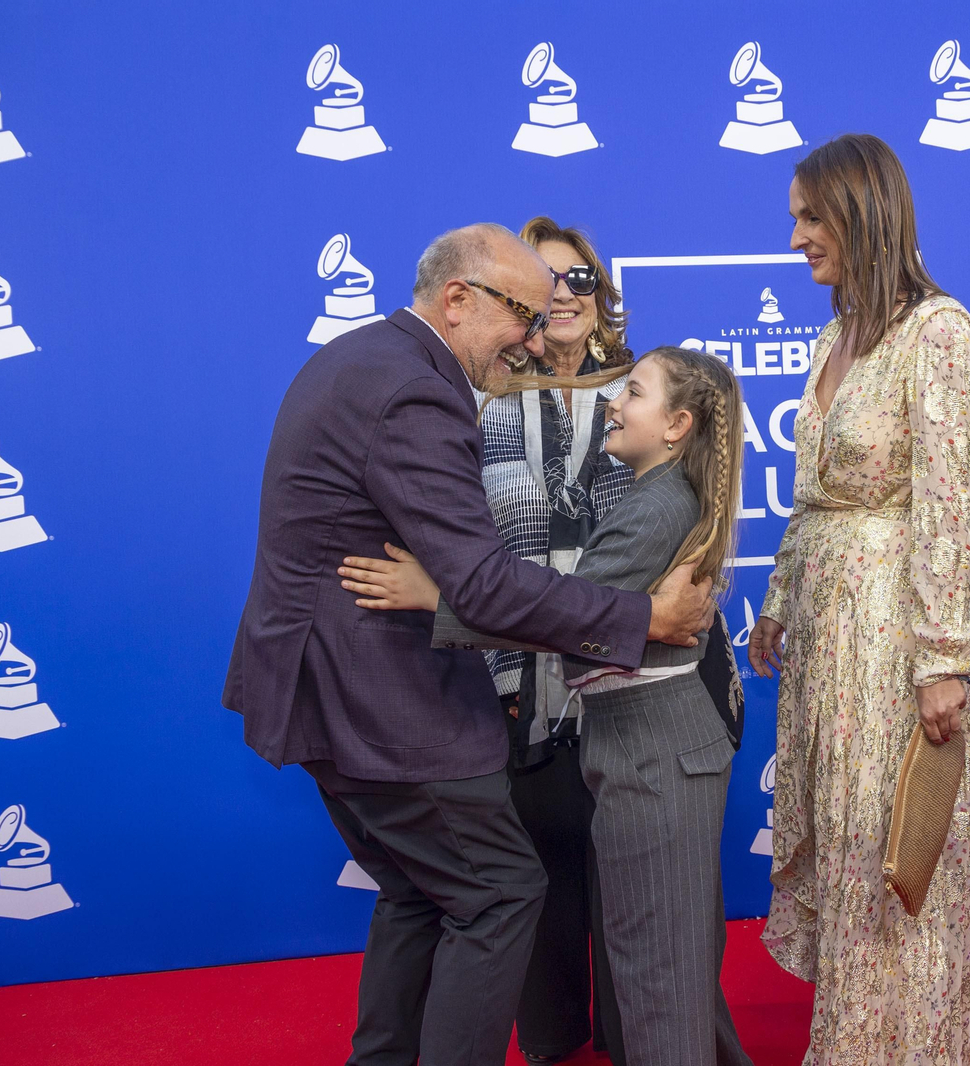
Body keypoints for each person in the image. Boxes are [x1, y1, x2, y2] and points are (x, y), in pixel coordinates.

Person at [222, 223, 715, 1066]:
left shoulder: (362, 357)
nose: (533, 340)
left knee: (422, 892)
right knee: (499, 894)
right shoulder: (417, 392)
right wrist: (643, 620)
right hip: (380, 700)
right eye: (523, 315)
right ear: (458, 299)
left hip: (324, 688)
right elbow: (484, 585)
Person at [339, 346, 753, 1066]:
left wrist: (435, 599)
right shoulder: (655, 499)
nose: (613, 404)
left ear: (678, 425)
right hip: (646, 747)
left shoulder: (653, 510)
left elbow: (565, 621)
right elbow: (579, 618)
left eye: (634, 393)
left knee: (658, 975)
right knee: (660, 963)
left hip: (655, 754)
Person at [747, 133, 970, 1065]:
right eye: (796, 219)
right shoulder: (833, 337)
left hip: (893, 638)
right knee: (848, 849)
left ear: (862, 212)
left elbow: (950, 506)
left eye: (812, 217)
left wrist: (943, 661)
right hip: (826, 638)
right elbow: (813, 496)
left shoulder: (938, 332)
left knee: (892, 856)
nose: (797, 238)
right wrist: (778, 598)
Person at [486, 216, 636, 1065]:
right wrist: (504, 673)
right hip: (520, 678)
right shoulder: (481, 404)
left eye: (580, 278)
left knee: (630, 883)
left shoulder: (645, 395)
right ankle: (553, 1041)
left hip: (626, 677)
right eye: (545, 280)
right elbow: (474, 550)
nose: (565, 294)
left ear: (600, 294)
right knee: (537, 883)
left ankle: (631, 1034)